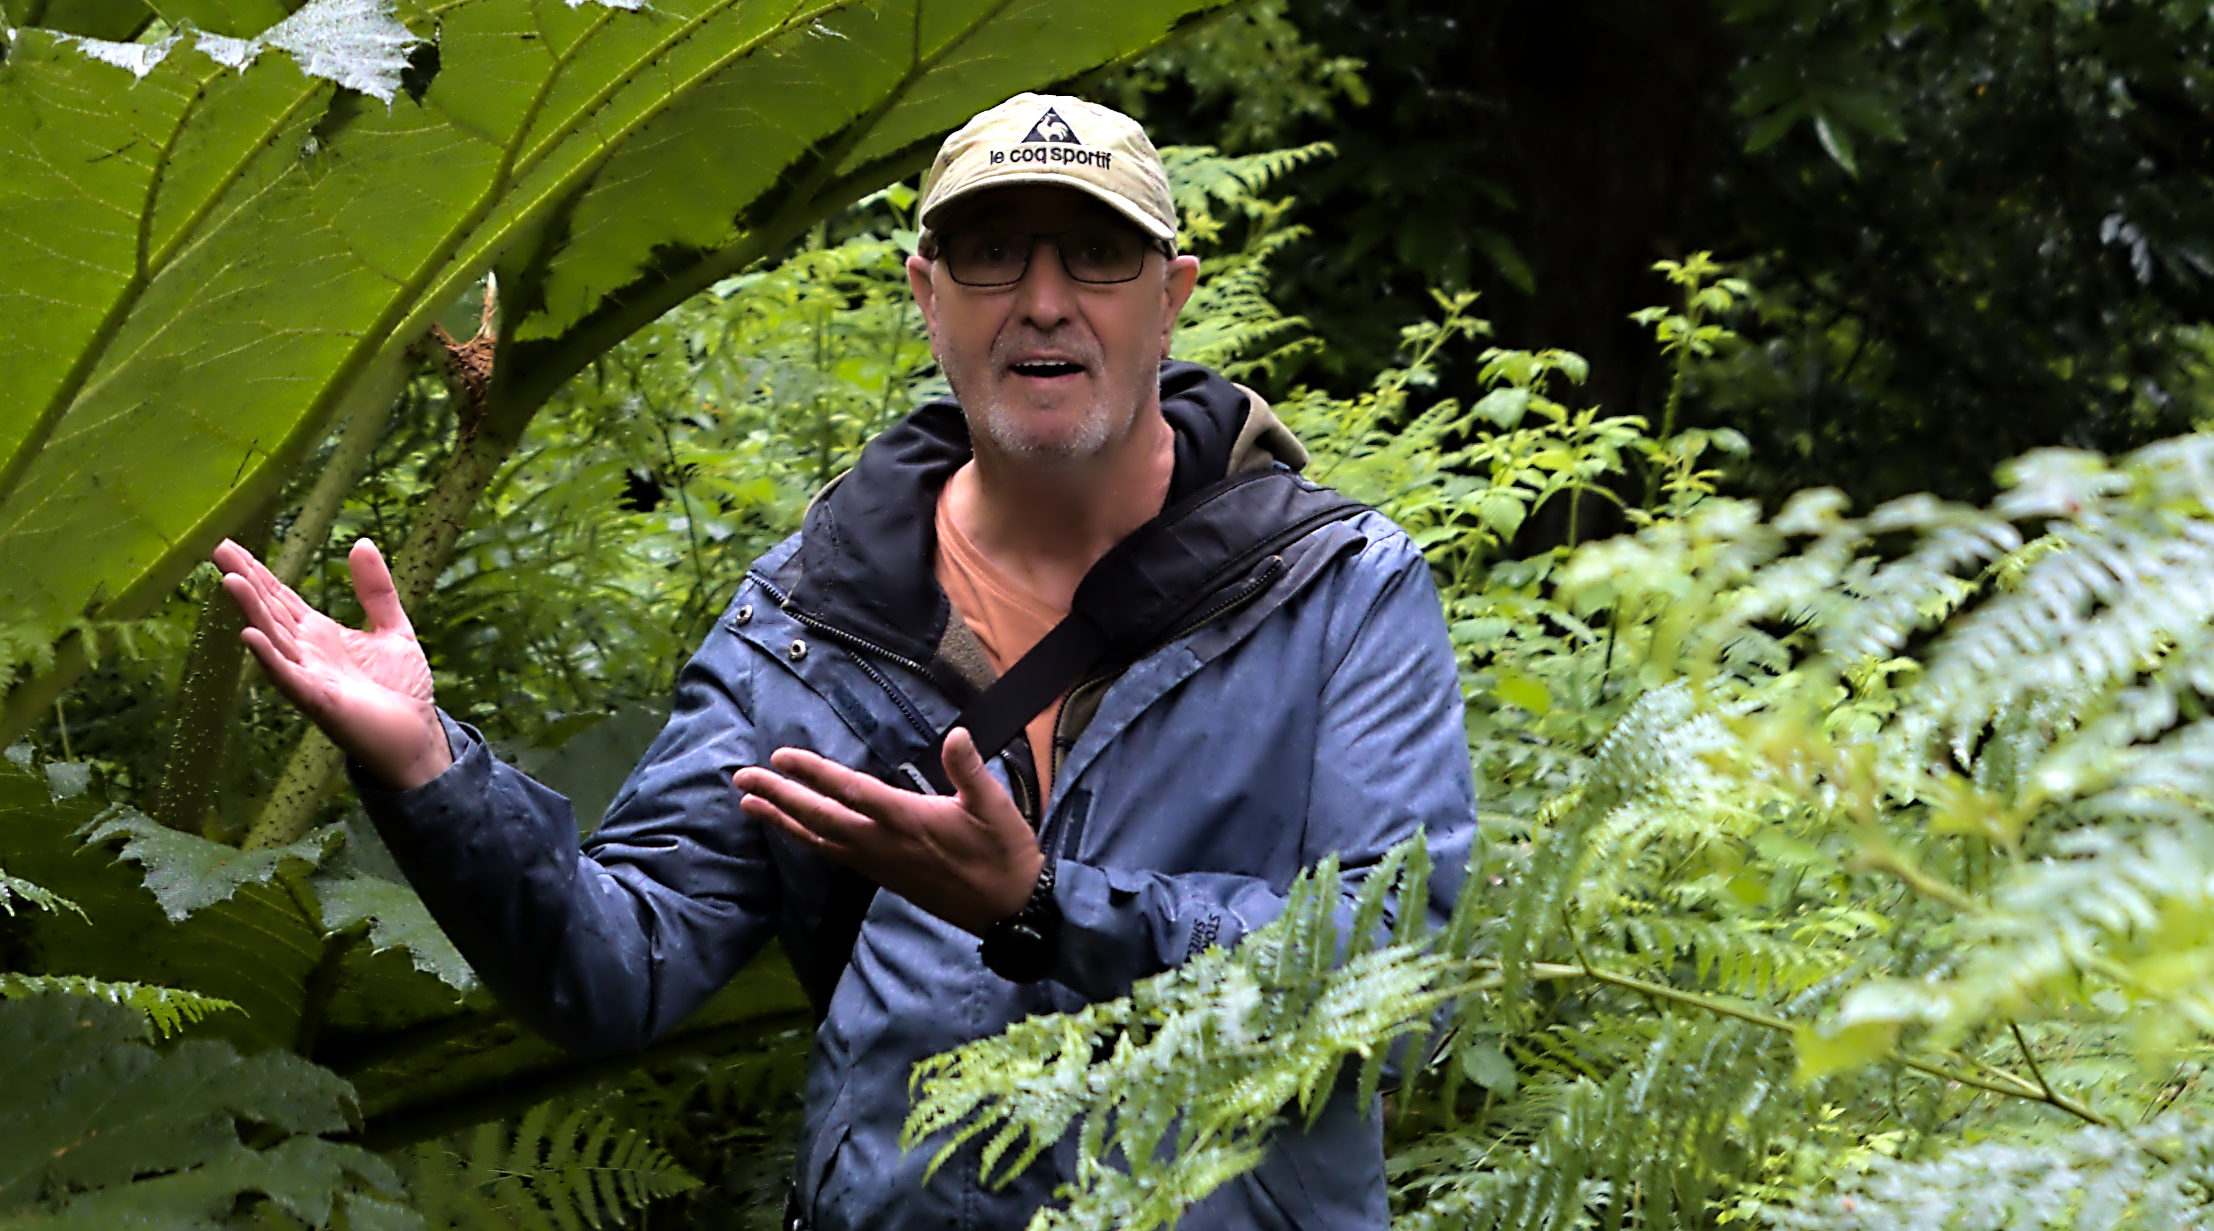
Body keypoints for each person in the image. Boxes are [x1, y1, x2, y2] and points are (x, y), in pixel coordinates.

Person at [209, 91, 1474, 1230]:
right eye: (991, 254)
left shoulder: (1335, 590)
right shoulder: (809, 620)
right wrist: (432, 775)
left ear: (1170, 295)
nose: (1043, 299)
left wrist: (1047, 912)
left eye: (1094, 253)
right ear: (927, 295)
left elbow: (1402, 992)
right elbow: (620, 967)